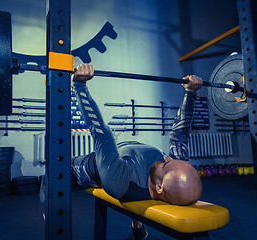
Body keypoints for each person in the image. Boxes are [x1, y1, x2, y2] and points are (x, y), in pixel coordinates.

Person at [71, 63, 203, 239]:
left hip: (93, 167)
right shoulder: (176, 168)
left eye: (165, 164)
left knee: (59, 170)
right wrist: (191, 93)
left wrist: (79, 85)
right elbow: (180, 133)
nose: (169, 157)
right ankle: (137, 223)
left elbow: (101, 131)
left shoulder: (119, 182)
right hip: (129, 159)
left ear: (159, 187)